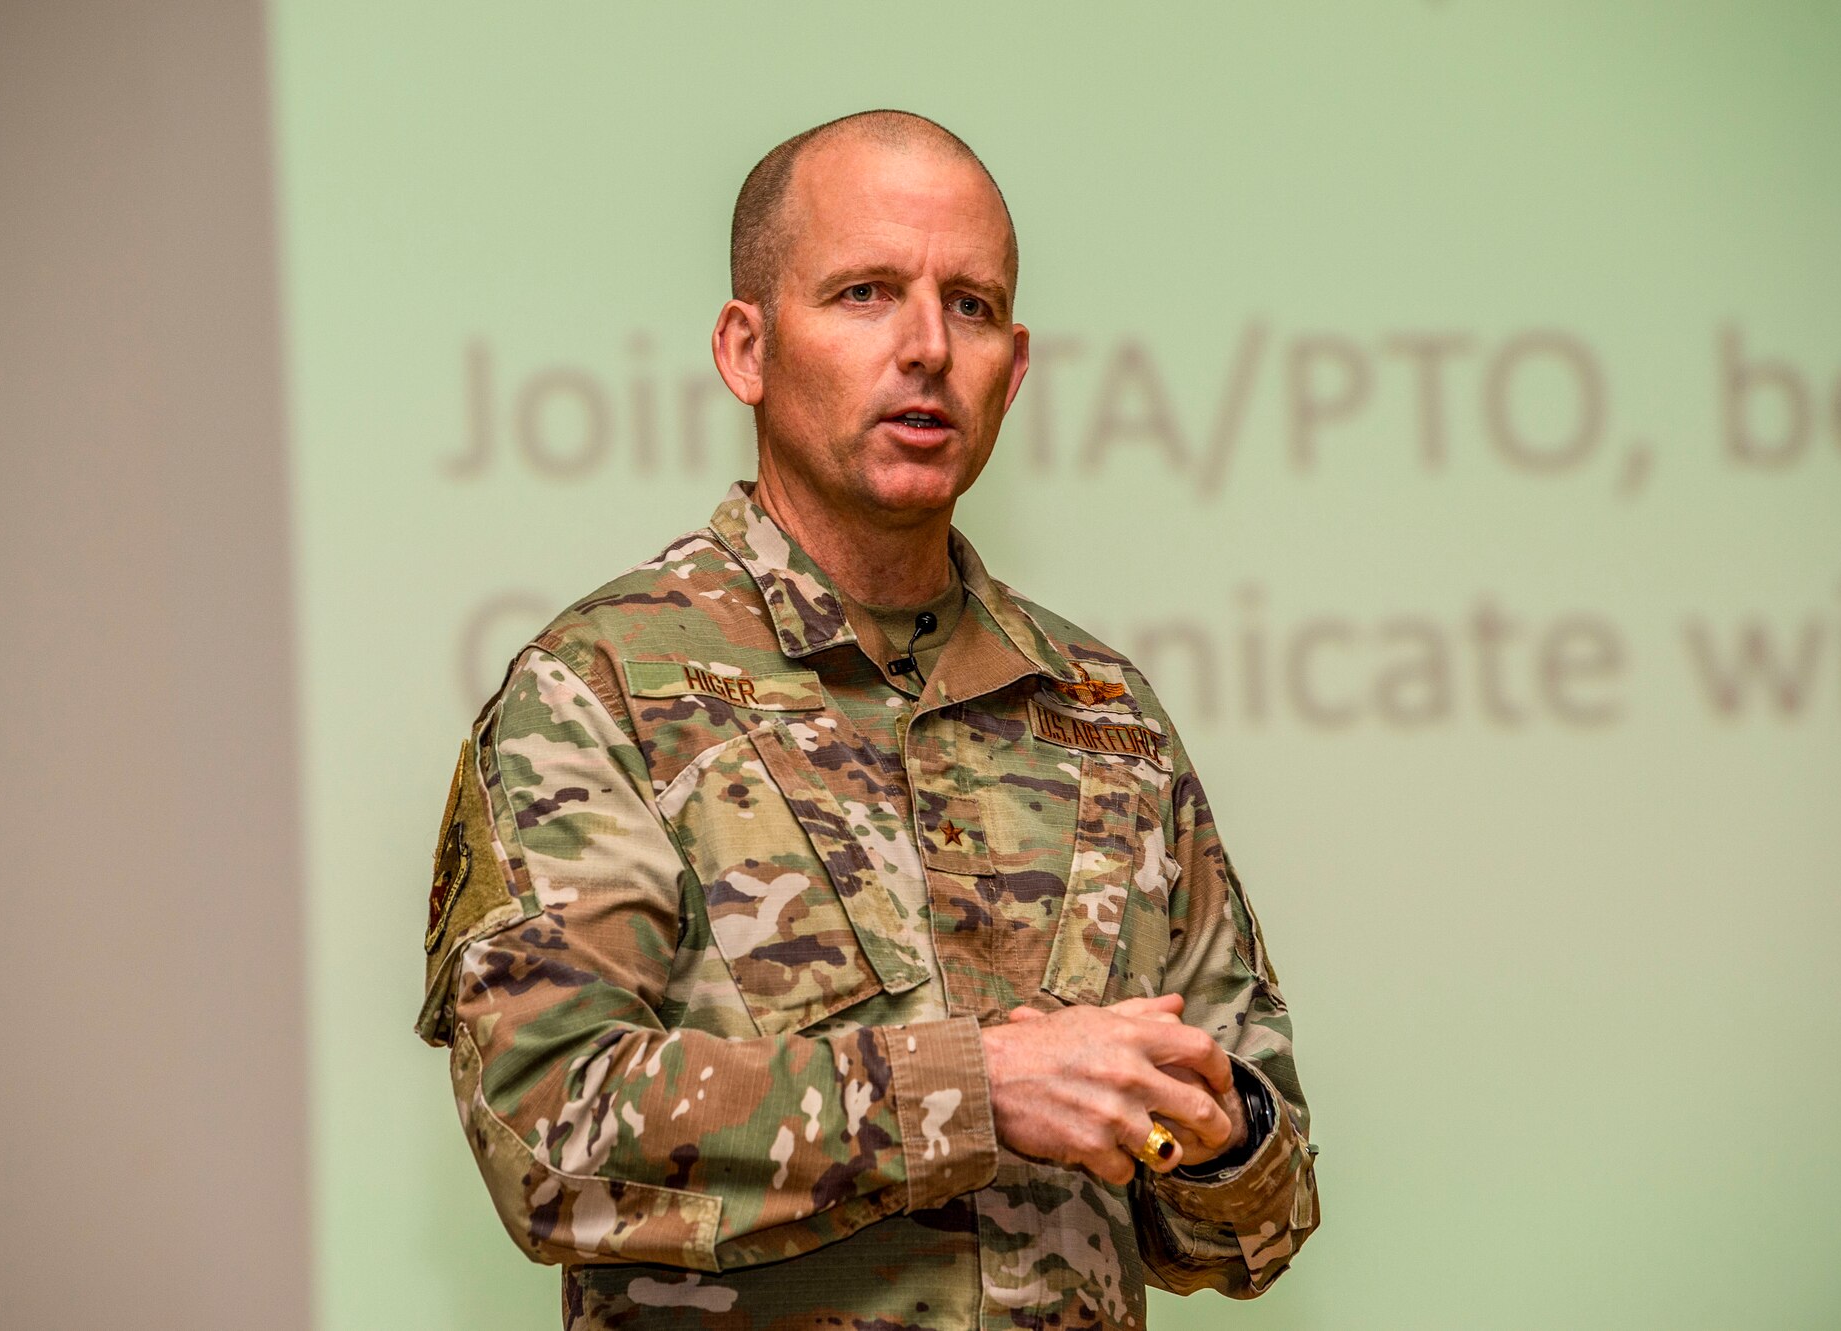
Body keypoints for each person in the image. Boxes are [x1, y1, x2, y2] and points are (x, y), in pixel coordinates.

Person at [416, 109, 1320, 1329]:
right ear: (746, 347)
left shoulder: (1104, 713)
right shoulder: (603, 685)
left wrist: (1220, 1133)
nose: (925, 347)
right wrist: (978, 1087)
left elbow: (1260, 1218)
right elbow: (547, 1136)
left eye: (971, 305)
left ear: (1015, 364)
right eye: (862, 292)